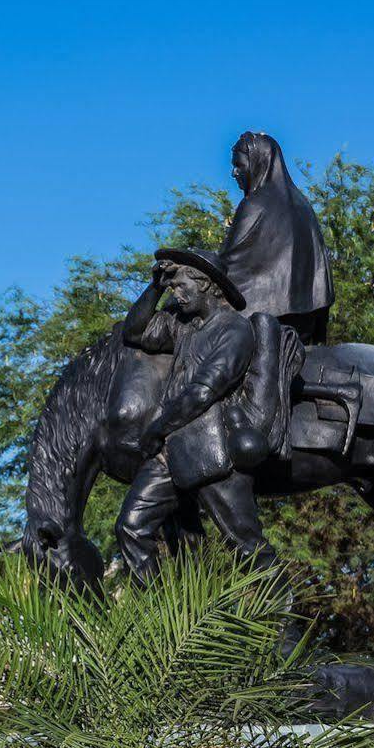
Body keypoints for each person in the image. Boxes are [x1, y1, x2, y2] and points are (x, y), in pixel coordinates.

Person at [115, 248, 275, 581]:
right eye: (172, 288)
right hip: (171, 451)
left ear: (205, 284)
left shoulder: (233, 330)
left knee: (247, 547)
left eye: (180, 285)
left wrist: (156, 428)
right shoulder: (183, 325)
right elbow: (134, 332)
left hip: (211, 451)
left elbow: (203, 391)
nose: (177, 293)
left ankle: (286, 627)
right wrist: (154, 288)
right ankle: (162, 616)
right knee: (130, 528)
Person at [220, 131, 332, 343]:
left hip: (266, 320)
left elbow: (228, 266)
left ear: (258, 163)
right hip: (307, 317)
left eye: (239, 165)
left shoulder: (253, 205)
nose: (234, 173)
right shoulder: (304, 206)